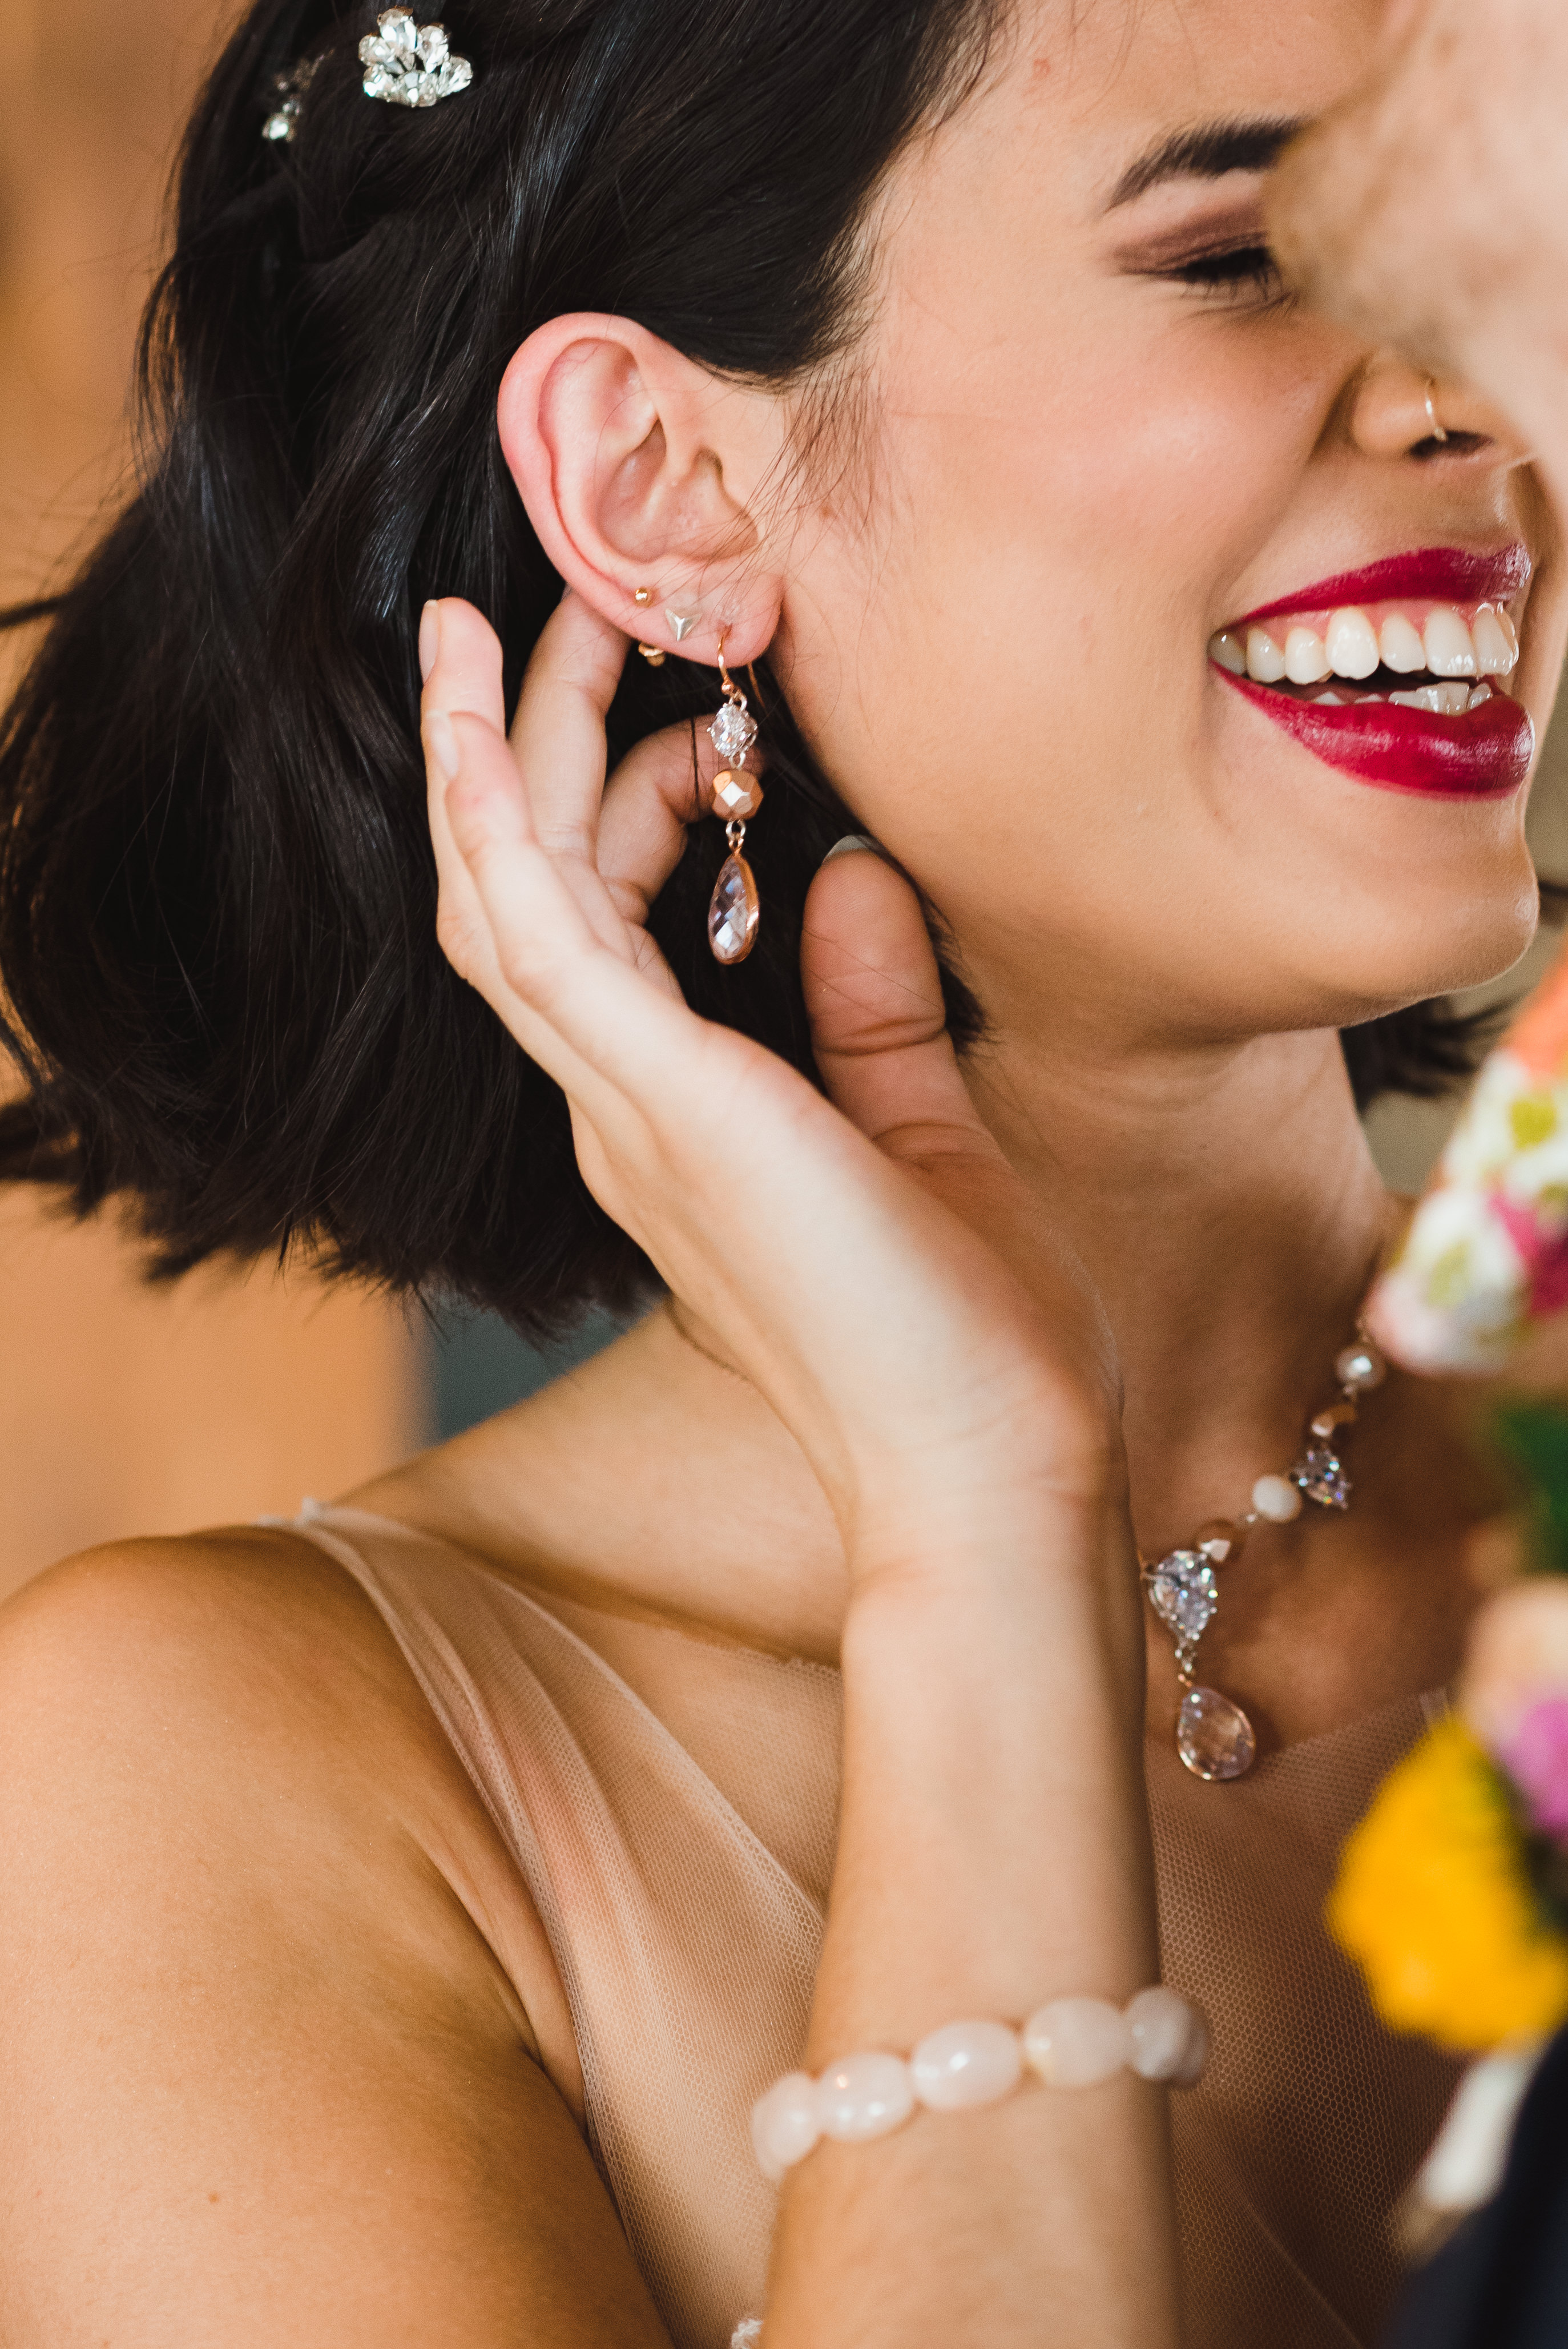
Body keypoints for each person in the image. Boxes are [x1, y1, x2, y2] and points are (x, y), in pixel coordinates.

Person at [0, 0, 1561, 2340]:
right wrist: (974, 1534)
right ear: (663, 485)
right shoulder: (225, 1785)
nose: (1486, 395)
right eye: (1248, 251)